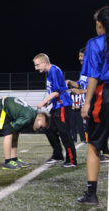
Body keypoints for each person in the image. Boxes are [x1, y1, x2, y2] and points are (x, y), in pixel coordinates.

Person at [77, 7, 109, 205]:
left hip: (104, 95)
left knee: (94, 146)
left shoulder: (95, 43)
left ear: (100, 25)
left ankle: (91, 194)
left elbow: (93, 76)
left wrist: (87, 103)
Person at [33, 53, 77, 167]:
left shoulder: (54, 70)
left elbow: (57, 91)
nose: (36, 67)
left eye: (37, 65)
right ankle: (57, 155)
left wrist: (43, 102)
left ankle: (72, 160)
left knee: (64, 133)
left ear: (44, 63)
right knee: (49, 129)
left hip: (62, 106)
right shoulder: (49, 72)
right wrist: (48, 101)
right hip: (56, 106)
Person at [0, 97, 50, 170]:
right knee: (9, 133)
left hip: (4, 110)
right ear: (39, 119)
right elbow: (12, 128)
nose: (40, 129)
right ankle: (7, 161)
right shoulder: (29, 117)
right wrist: (0, 132)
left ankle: (14, 159)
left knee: (15, 133)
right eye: (41, 126)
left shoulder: (32, 114)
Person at [66, 48, 87, 143]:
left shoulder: (95, 68)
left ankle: (105, 153)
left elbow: (98, 86)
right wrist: (70, 82)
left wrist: (82, 91)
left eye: (82, 56)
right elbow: (80, 84)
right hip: (88, 104)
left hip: (96, 102)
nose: (79, 58)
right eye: (79, 56)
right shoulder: (83, 70)